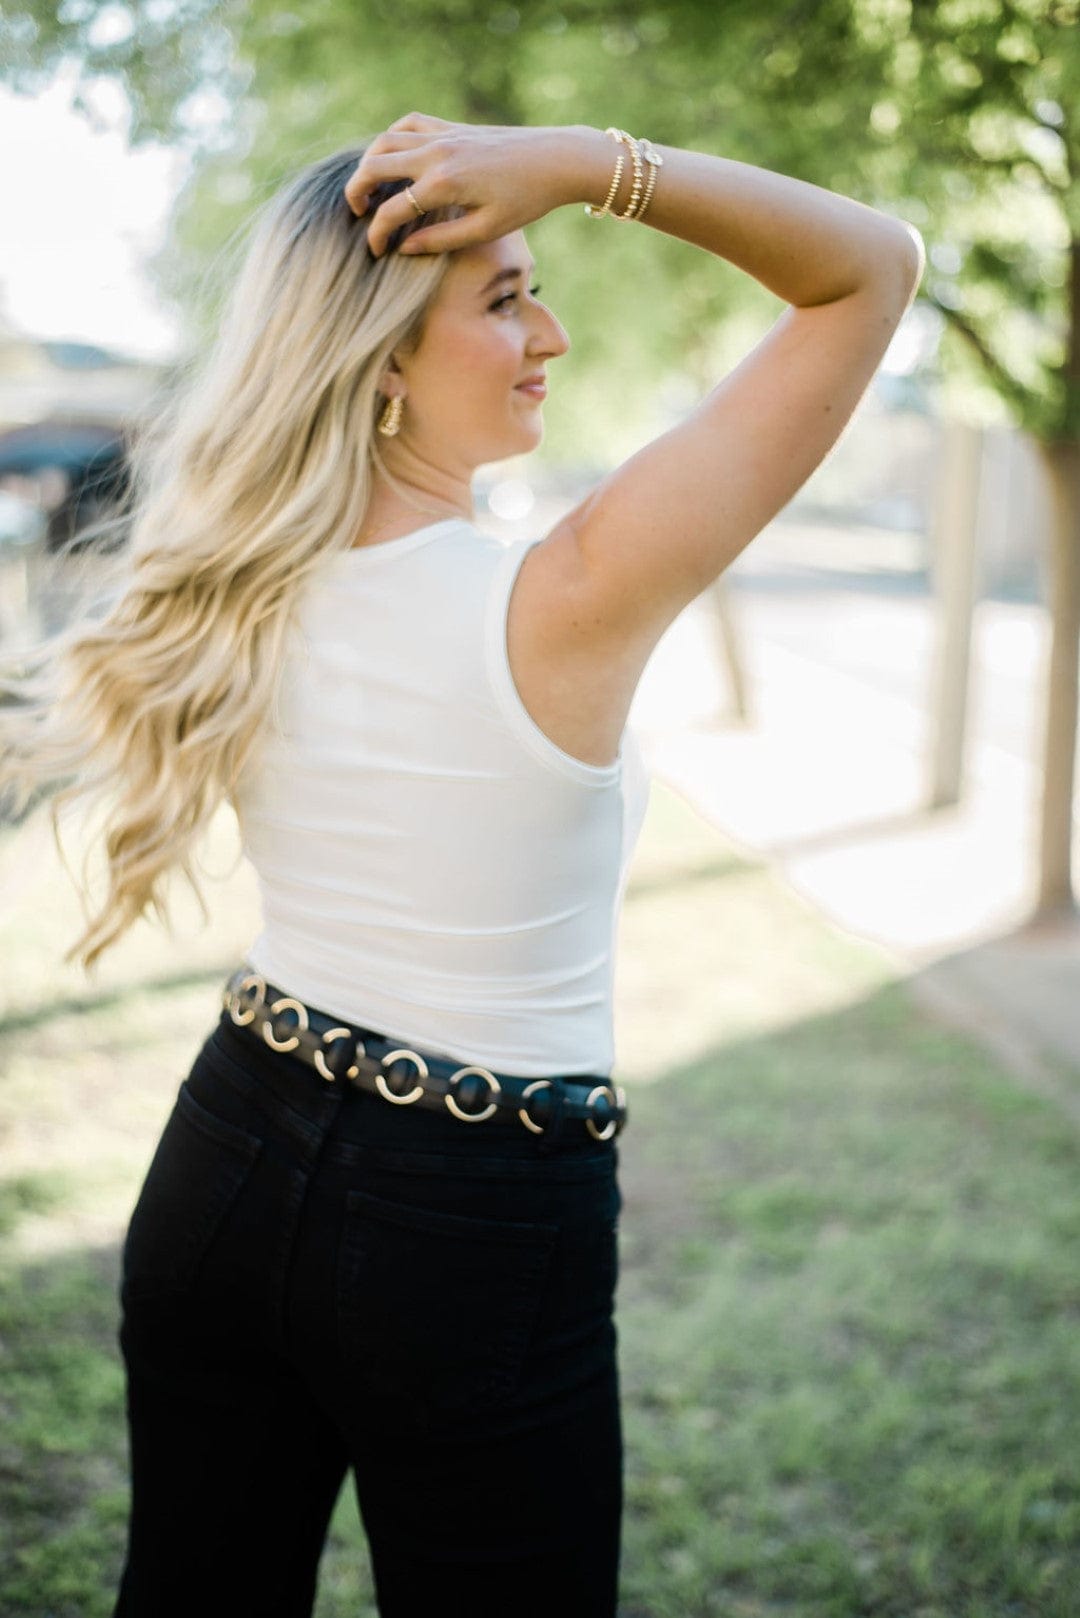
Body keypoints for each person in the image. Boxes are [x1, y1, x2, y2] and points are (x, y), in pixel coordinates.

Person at [0, 113, 922, 1617]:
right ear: (377, 373)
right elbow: (872, 270)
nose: (550, 331)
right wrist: (584, 160)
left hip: (229, 1146)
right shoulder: (566, 595)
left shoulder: (245, 583)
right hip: (474, 1216)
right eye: (504, 300)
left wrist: (542, 195)